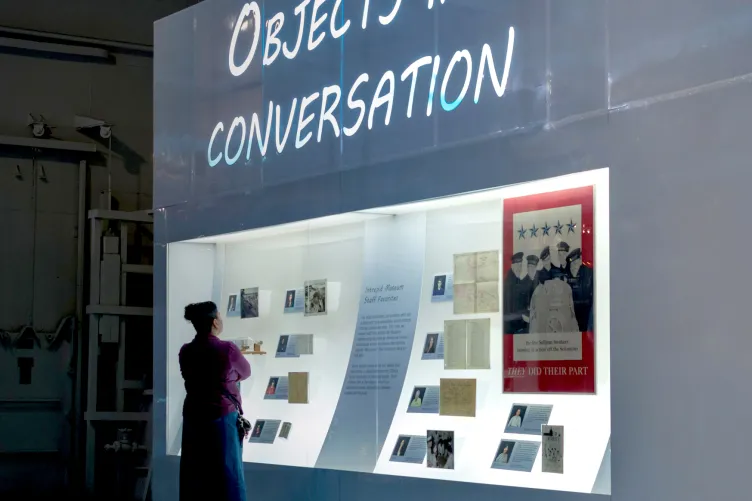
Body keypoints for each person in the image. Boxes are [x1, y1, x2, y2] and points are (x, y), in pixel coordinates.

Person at [179, 301, 251, 501]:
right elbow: (245, 372)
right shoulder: (227, 349)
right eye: (219, 316)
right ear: (214, 322)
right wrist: (229, 379)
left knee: (196, 476)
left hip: (193, 417)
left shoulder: (186, 351)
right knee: (228, 476)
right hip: (222, 416)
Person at [564, 248, 594, 332]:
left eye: (576, 263)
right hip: (570, 313)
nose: (574, 266)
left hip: (586, 312)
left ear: (581, 261)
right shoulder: (566, 274)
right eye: (572, 264)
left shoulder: (589, 273)